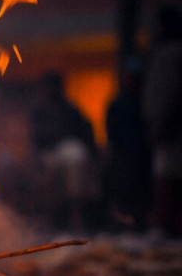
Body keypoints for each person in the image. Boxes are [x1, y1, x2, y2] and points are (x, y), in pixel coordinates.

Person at [29, 73, 98, 230]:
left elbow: (86, 131)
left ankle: (76, 215)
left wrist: (94, 155)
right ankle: (49, 219)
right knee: (48, 173)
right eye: (48, 87)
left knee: (75, 157)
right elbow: (35, 139)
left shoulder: (70, 110)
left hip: (69, 149)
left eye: (54, 87)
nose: (50, 90)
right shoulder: (39, 112)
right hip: (46, 154)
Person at [142, 6, 182, 238]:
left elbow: (167, 91)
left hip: (171, 126)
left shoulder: (171, 54)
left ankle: (168, 224)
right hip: (167, 123)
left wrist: (162, 120)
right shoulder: (165, 52)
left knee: (168, 174)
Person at [104, 58, 152, 231]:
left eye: (136, 76)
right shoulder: (117, 104)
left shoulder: (146, 103)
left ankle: (141, 221)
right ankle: (121, 222)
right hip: (123, 155)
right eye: (130, 76)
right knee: (122, 187)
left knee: (143, 191)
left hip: (144, 154)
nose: (133, 80)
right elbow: (112, 132)